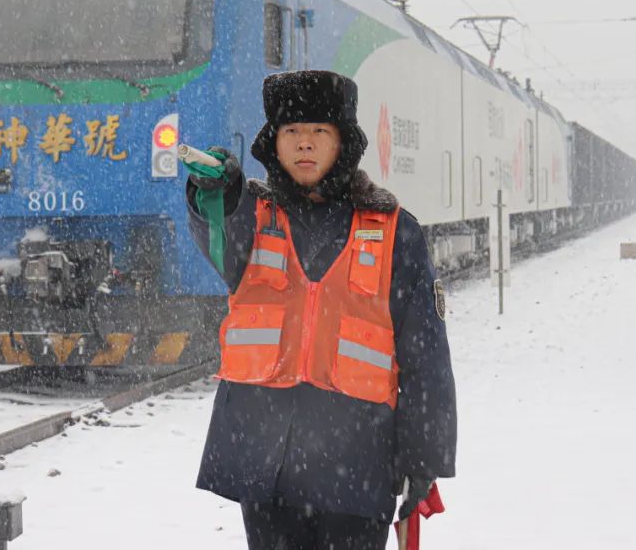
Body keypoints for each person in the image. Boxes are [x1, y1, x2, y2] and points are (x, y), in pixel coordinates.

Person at [185, 70, 457, 549]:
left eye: (319, 133)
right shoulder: (253, 217)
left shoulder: (396, 232)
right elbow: (218, 228)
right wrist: (218, 191)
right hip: (265, 465)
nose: (304, 144)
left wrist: (422, 460)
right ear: (274, 143)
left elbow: (426, 357)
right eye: (292, 132)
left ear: (343, 144)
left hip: (356, 466)